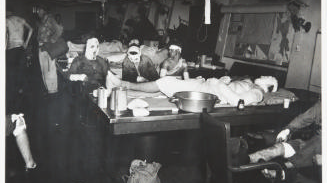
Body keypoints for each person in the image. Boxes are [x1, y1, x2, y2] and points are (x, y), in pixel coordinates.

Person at [107, 70, 278, 107]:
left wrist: (218, 85)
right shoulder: (250, 82)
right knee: (164, 85)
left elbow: (238, 102)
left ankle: (122, 85)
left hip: (209, 93)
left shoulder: (257, 93)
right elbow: (233, 88)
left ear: (268, 85)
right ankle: (118, 89)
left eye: (266, 77)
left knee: (166, 83)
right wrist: (224, 80)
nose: (262, 75)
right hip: (207, 85)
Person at [246, 100, 321, 179]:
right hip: (308, 147)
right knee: (278, 149)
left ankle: (282, 171)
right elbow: (305, 118)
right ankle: (245, 160)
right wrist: (288, 130)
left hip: (317, 151)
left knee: (319, 140)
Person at [6, 10, 34, 114]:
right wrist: (26, 43)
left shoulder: (7, 20)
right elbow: (31, 29)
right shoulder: (21, 20)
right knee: (21, 74)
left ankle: (11, 102)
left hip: (11, 49)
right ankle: (21, 101)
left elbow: (5, 36)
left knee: (10, 75)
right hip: (21, 49)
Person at [36, 5, 65, 94]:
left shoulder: (49, 19)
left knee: (49, 69)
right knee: (44, 69)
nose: (37, 12)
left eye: (39, 10)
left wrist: (51, 41)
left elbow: (59, 29)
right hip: (42, 47)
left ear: (43, 10)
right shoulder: (43, 20)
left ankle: (53, 90)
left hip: (47, 47)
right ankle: (48, 89)